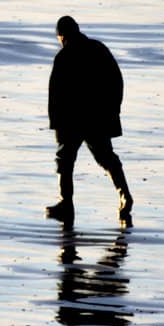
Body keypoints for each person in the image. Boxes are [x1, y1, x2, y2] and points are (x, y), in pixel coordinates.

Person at [46, 16, 134, 222]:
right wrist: (113, 111)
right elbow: (116, 81)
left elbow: (55, 95)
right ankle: (125, 195)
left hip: (72, 121)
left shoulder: (64, 56)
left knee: (65, 160)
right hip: (98, 118)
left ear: (62, 36)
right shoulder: (99, 49)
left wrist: (56, 124)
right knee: (106, 158)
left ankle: (66, 204)